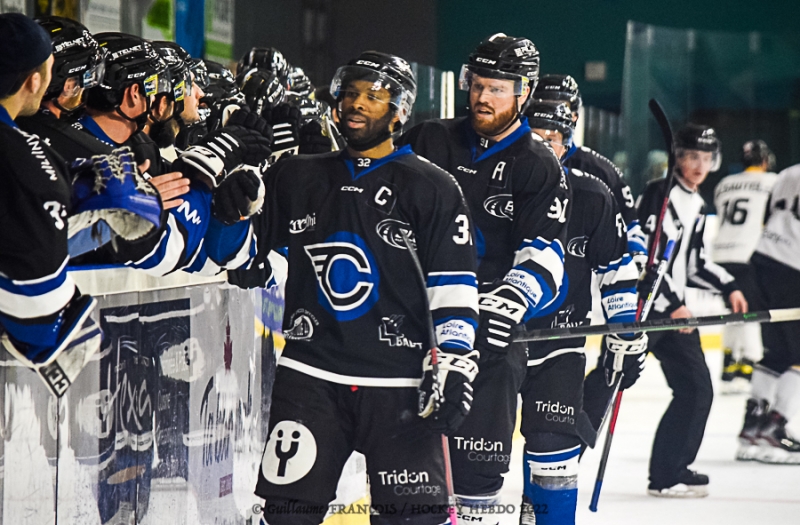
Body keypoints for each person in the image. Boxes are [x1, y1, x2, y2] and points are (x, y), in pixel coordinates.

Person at [250, 51, 480, 525]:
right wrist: (234, 205)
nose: (356, 104)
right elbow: (244, 258)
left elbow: (453, 288)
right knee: (287, 516)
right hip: (310, 377)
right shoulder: (297, 175)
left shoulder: (434, 187)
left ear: (399, 111)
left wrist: (455, 363)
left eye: (373, 97)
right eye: (350, 94)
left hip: (400, 385)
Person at [399, 33, 570, 524]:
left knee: (477, 474)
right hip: (411, 323)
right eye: (478, 84)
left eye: (498, 87)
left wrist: (509, 302)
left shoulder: (539, 165)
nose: (482, 96)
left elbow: (545, 252)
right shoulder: (429, 139)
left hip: (489, 338)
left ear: (524, 93)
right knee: (404, 469)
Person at [585, 123, 748, 498]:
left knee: (696, 389)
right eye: (691, 156)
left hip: (672, 314)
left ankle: (669, 473)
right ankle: (557, 454)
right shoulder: (661, 195)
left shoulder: (695, 201)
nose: (698, 165)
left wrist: (730, 285)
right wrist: (675, 305)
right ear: (677, 157)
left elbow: (693, 264)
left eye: (705, 158)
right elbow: (648, 260)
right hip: (644, 311)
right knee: (607, 385)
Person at [517, 100, 643, 524]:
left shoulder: (591, 193)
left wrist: (625, 332)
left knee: (553, 453)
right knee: (479, 465)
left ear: (566, 142)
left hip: (560, 341)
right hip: (496, 343)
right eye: (530, 138)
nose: (538, 147)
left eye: (548, 140)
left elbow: (617, 268)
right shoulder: (489, 187)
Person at [533, 74, 647, 269]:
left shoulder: (602, 170)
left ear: (574, 116)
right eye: (544, 105)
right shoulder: (512, 164)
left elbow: (630, 227)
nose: (551, 113)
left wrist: (637, 265)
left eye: (561, 106)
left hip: (583, 284)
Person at [737, 162, 800, 464]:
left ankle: (752, 425)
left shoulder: (788, 172)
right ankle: (776, 426)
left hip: (762, 262)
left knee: (777, 351)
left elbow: (767, 217)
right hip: (794, 269)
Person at [713, 140, 778, 393]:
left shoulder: (723, 185)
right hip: (749, 254)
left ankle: (729, 365)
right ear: (765, 160)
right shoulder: (772, 181)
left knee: (734, 311)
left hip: (721, 255)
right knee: (753, 312)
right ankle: (749, 365)